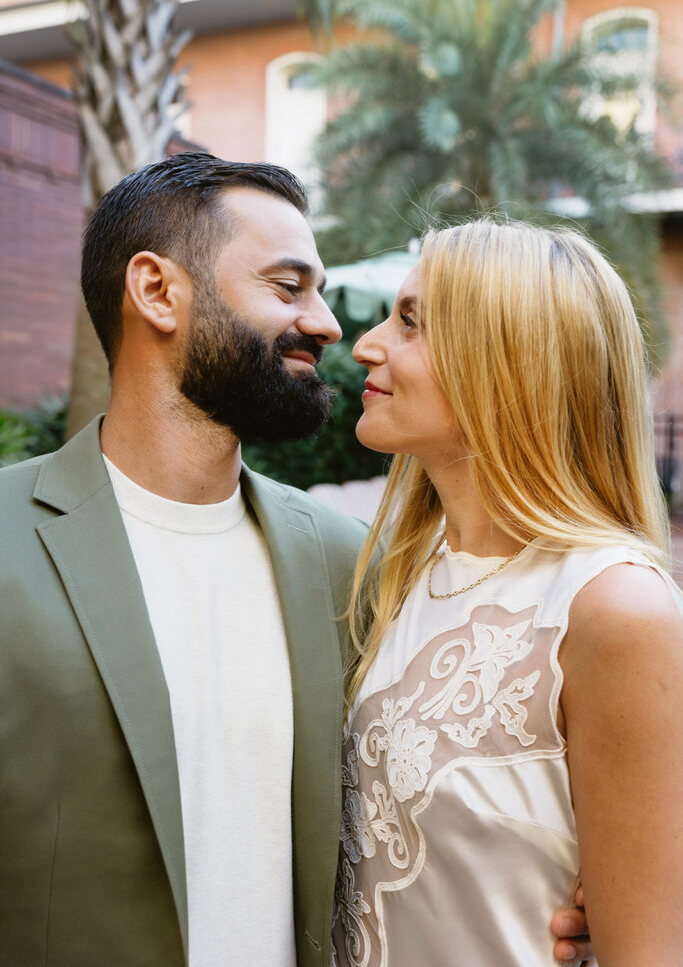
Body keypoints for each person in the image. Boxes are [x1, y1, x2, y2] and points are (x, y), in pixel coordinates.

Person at [0, 155, 591, 967]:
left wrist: (580, 883)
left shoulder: (355, 564)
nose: (328, 325)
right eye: (288, 287)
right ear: (156, 291)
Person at [334, 218, 683, 967]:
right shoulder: (401, 568)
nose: (365, 346)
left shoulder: (611, 606)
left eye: (409, 323)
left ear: (507, 363)